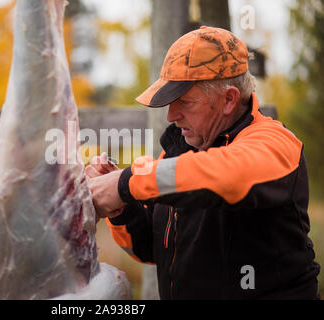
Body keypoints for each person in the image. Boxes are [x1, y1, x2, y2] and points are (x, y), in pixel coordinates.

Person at [86, 26, 320, 299]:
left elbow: (226, 174)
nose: (171, 115)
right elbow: (152, 249)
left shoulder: (275, 143)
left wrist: (124, 184)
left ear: (229, 99)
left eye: (184, 101)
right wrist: (121, 208)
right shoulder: (180, 153)